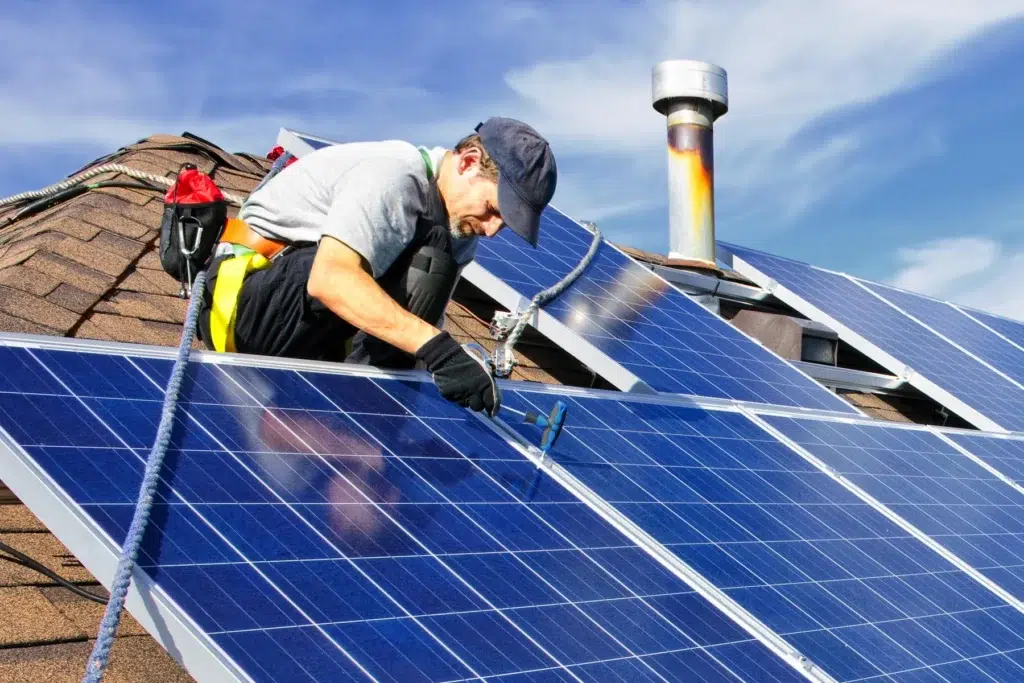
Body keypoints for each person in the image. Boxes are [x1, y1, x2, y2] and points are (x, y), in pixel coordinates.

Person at [197, 117, 557, 416]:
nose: (493, 229)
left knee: (434, 262)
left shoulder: (457, 231)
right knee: (420, 264)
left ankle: (365, 422)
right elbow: (330, 279)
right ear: (467, 162)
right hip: (246, 306)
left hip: (310, 328)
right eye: (493, 210)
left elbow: (422, 324)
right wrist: (439, 351)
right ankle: (354, 420)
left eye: (504, 223)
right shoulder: (396, 174)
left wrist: (442, 404)